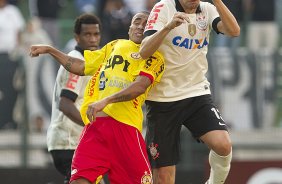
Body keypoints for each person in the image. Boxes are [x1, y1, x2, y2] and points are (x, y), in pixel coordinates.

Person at [29, 11, 164, 184]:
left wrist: (106, 101)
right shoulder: (114, 45)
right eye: (137, 21)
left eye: (146, 24)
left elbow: (139, 87)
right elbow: (82, 66)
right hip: (95, 129)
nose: (140, 26)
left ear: (152, 30)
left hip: (125, 129)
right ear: (129, 27)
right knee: (79, 181)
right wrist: (50, 50)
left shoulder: (155, 57)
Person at [139, 0, 240, 184]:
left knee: (223, 145)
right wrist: (168, 27)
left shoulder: (208, 10)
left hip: (196, 92)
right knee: (164, 176)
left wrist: (217, 1)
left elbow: (234, 31)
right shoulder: (163, 8)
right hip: (163, 99)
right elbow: (144, 50)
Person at [46, 14, 103, 184]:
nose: (93, 39)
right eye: (87, 34)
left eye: (96, 34)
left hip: (75, 142)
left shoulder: (89, 61)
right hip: (68, 142)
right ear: (77, 37)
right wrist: (92, 126)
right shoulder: (76, 61)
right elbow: (65, 104)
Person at [0, 0, 25, 129]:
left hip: (10, 56)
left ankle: (8, 120)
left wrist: (19, 49)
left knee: (10, 89)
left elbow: (19, 32)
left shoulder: (13, 12)